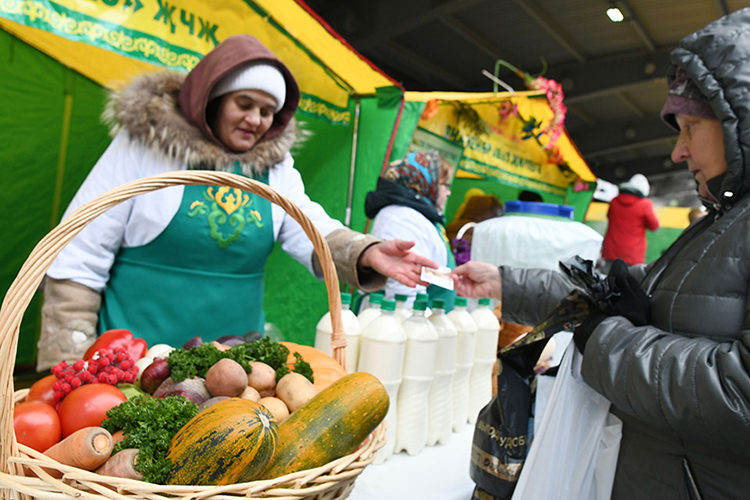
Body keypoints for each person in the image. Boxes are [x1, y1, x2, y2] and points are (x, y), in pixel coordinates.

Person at [452, 8, 750, 499]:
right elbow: (627, 289)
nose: (678, 152)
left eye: (689, 128)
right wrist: (507, 282)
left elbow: (739, 390)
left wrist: (600, 340)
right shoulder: (723, 221)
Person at [37, 34, 438, 371]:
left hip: (232, 374)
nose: (256, 120)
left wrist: (365, 253)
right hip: (136, 366)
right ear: (212, 100)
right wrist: (70, 358)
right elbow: (79, 251)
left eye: (268, 111)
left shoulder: (275, 169)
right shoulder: (147, 148)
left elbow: (309, 228)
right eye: (244, 104)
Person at [363, 150, 455, 309]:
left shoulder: (416, 216)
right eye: (445, 185)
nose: (448, 192)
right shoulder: (402, 219)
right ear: (427, 182)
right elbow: (404, 293)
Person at [599, 173, 660, 269]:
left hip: (611, 250)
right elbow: (654, 226)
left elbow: (609, 216)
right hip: (633, 254)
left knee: (608, 281)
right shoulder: (645, 204)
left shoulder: (614, 201)